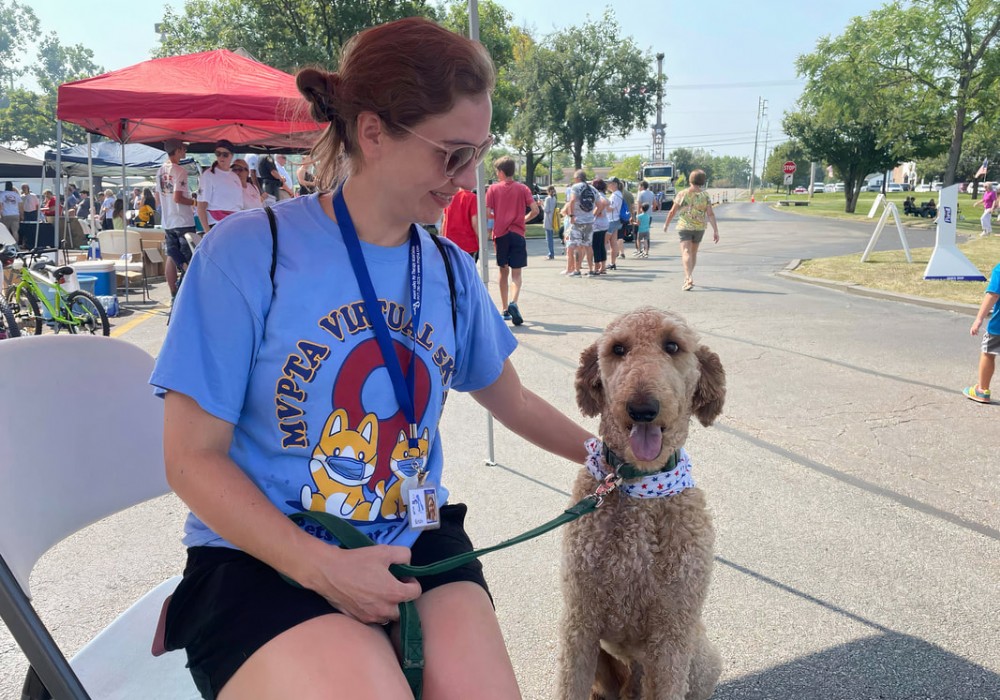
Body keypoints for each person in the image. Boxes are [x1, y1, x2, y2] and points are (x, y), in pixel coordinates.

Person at [150, 17, 593, 700]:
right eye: (452, 155)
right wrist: (321, 568)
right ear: (373, 130)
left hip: (413, 535)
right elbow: (191, 459)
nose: (468, 180)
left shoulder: (449, 268)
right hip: (262, 553)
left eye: (477, 154)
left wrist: (614, 461)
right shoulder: (247, 254)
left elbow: (515, 400)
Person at [485, 155, 537, 324]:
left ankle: (505, 308)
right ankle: (514, 301)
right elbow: (535, 210)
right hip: (517, 233)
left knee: (503, 271)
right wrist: (522, 219)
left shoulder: (493, 189)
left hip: (500, 234)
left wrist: (498, 217)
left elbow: (487, 212)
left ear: (500, 172)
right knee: (517, 273)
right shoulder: (523, 189)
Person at [662, 168, 718, 291]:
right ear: (703, 181)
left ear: (690, 180)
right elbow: (710, 214)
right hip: (699, 227)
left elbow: (672, 211)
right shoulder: (705, 195)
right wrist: (715, 230)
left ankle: (688, 277)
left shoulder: (683, 193)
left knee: (686, 252)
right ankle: (688, 276)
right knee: (693, 253)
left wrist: (666, 224)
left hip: (684, 226)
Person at [156, 139, 199, 298]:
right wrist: (196, 202)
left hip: (168, 220)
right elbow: (178, 198)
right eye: (183, 149)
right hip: (182, 220)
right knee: (188, 260)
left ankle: (174, 293)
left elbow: (158, 197)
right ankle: (188, 294)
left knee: (172, 256)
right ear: (178, 150)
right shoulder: (180, 171)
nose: (185, 152)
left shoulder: (160, 170)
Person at [964, 262, 1000, 404]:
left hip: (998, 327)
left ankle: (982, 390)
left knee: (988, 353)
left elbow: (992, 295)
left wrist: (979, 319)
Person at [197, 140, 244, 230]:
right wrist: (207, 231)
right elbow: (201, 207)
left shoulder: (235, 176)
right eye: (218, 153)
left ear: (232, 156)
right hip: (217, 222)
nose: (221, 157)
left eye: (225, 154)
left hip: (235, 221)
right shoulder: (208, 175)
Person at [561, 169, 597, 277]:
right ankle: (591, 270)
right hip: (589, 222)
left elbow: (571, 201)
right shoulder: (593, 189)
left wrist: (572, 216)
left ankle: (577, 270)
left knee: (577, 245)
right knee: (588, 246)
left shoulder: (575, 187)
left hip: (578, 222)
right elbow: (600, 204)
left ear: (577, 178)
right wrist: (592, 215)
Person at [441, 187, 479, 260]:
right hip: (467, 242)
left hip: (450, 241)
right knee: (467, 268)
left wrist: (443, 237)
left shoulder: (450, 197)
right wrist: (480, 239)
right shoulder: (472, 198)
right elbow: (475, 222)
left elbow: (444, 220)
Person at [590, 178, 610, 276]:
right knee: (602, 245)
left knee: (595, 246)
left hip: (597, 224)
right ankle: (603, 266)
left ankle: (596, 267)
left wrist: (594, 214)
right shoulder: (603, 195)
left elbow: (602, 204)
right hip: (604, 223)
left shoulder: (597, 195)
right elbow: (608, 203)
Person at [605, 178, 624, 270]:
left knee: (603, 242)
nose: (608, 185)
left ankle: (601, 263)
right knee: (613, 243)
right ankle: (612, 263)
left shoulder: (615, 195)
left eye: (610, 183)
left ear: (615, 184)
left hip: (611, 220)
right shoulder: (619, 194)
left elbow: (610, 208)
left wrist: (602, 205)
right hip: (616, 220)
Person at [542, 185, 557, 260]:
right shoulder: (554, 198)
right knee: (550, 237)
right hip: (552, 218)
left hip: (548, 219)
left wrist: (541, 204)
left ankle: (551, 253)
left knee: (548, 238)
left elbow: (546, 210)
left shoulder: (547, 199)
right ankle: (551, 253)